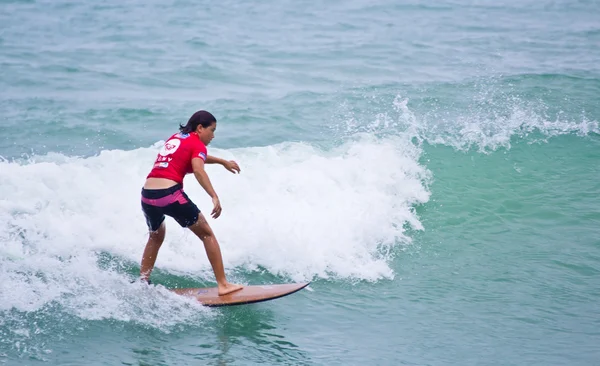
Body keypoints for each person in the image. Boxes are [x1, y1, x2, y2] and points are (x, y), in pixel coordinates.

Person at [139, 110, 243, 296]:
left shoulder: (177, 138)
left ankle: (142, 282)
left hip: (147, 195)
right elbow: (198, 169)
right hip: (169, 194)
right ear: (200, 127)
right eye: (212, 130)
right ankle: (223, 285)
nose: (213, 135)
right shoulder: (197, 144)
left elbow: (195, 157)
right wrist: (214, 195)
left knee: (155, 236)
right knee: (207, 234)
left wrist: (221, 162)